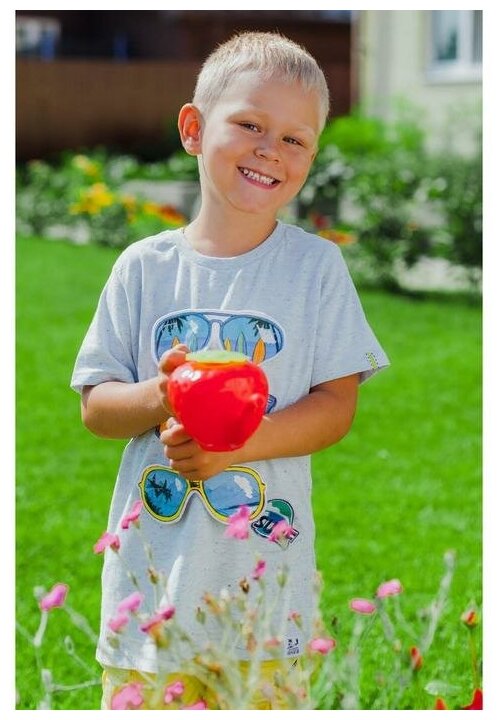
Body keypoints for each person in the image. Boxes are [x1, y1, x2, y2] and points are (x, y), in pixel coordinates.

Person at [71, 31, 389, 710]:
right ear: (193, 128)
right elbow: (97, 407)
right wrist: (164, 394)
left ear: (311, 157)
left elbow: (336, 406)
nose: (271, 148)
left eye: (295, 139)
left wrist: (237, 447)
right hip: (150, 596)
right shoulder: (143, 267)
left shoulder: (315, 269)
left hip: (264, 602)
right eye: (249, 124)